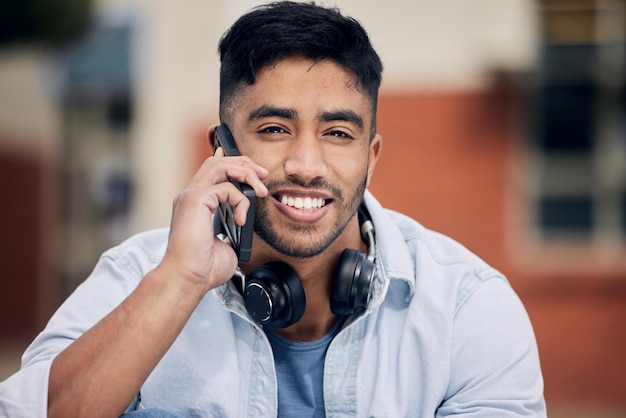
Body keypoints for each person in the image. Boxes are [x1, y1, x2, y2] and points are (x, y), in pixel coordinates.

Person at [0, 2, 546, 417]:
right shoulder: (137, 280)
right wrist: (180, 281)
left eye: (337, 133)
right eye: (273, 129)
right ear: (223, 148)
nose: (306, 164)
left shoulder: (467, 310)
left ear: (370, 157)